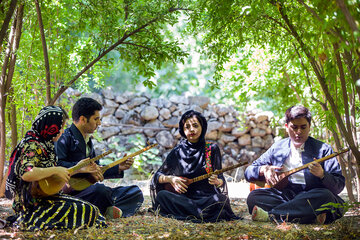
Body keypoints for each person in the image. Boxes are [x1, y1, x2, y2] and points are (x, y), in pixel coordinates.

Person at [5, 106, 107, 230]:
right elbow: (27, 173)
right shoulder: (32, 144)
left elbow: (50, 176)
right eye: (61, 127)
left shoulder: (46, 144)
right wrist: (55, 169)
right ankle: (30, 219)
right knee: (86, 211)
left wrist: (78, 169)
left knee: (92, 209)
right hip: (31, 205)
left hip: (47, 198)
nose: (63, 131)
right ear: (51, 126)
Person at [245, 105, 345, 224]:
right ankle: (308, 215)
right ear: (287, 127)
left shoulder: (323, 149)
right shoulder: (278, 148)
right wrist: (264, 169)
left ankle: (271, 216)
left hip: (312, 195)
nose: (298, 132)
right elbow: (249, 172)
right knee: (254, 197)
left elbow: (339, 185)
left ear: (309, 127)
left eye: (303, 127)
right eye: (294, 127)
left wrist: (323, 175)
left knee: (325, 197)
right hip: (286, 195)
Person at [55, 97, 144, 219]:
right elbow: (57, 165)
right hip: (73, 193)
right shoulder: (64, 138)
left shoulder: (87, 140)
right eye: (96, 119)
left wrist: (118, 167)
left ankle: (104, 209)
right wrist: (79, 167)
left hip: (91, 191)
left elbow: (96, 169)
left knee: (135, 192)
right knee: (100, 190)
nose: (99, 123)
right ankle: (105, 209)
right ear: (82, 119)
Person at [150, 110, 239, 223]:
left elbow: (220, 179)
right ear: (183, 130)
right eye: (187, 127)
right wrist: (171, 179)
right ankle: (200, 214)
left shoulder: (211, 149)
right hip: (183, 200)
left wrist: (217, 181)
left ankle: (188, 213)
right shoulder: (177, 151)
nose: (191, 129)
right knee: (162, 196)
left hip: (206, 199)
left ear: (202, 127)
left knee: (220, 200)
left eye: (195, 125)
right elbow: (157, 176)